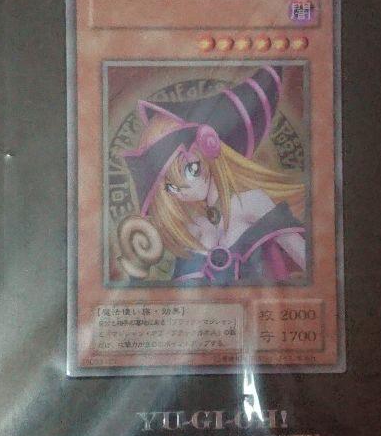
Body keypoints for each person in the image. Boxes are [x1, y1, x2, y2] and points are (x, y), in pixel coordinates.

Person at [121, 65, 307, 284]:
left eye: (189, 170)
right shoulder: (191, 227)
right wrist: (136, 271)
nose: (182, 191)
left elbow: (313, 267)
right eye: (171, 187)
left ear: (209, 149)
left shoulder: (252, 203)